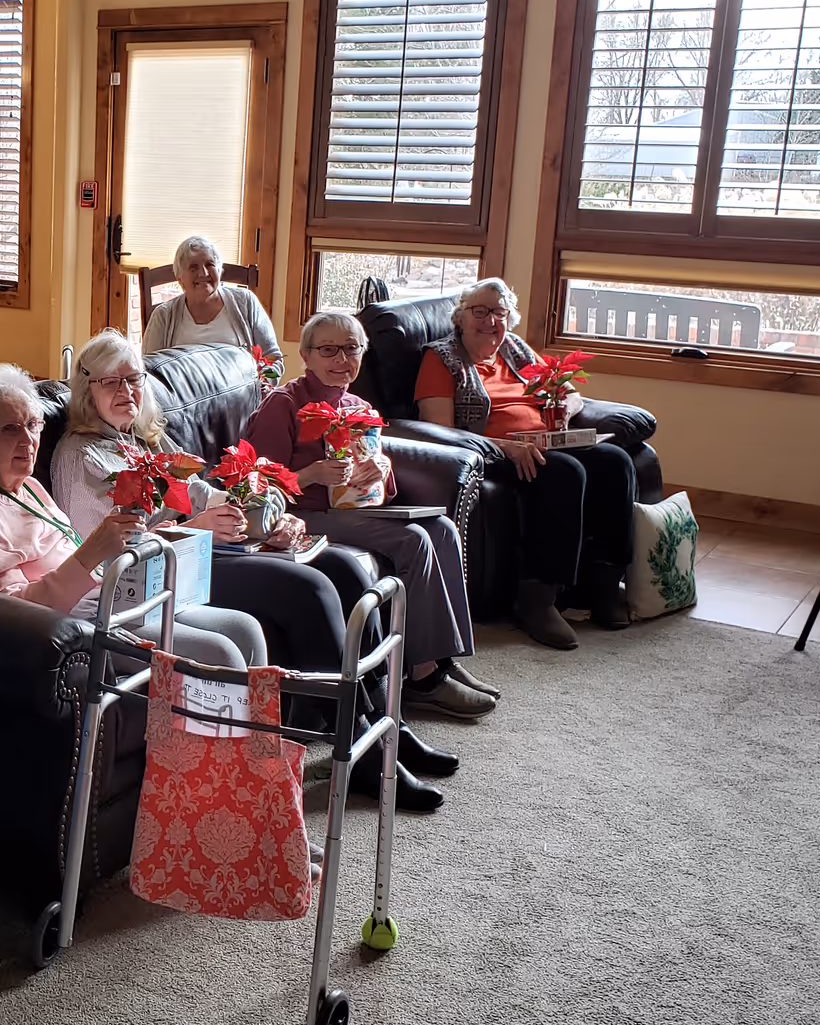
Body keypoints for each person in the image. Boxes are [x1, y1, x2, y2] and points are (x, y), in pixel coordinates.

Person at [48, 331, 458, 810]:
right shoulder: (78, 456)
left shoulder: (144, 439)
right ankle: (361, 748)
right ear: (87, 389)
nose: (126, 391)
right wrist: (192, 528)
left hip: (209, 550)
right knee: (309, 589)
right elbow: (104, 551)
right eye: (111, 382)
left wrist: (266, 515)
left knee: (347, 570)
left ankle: (390, 727)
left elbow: (206, 494)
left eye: (134, 379)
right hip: (168, 575)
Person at [246, 312, 501, 725]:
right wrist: (311, 474)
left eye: (352, 349)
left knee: (442, 530)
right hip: (303, 514)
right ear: (306, 356)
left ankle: (443, 659)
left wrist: (380, 471)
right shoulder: (285, 404)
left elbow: (383, 489)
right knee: (413, 540)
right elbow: (258, 483)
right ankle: (423, 678)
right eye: (329, 350)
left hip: (354, 509)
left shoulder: (359, 407)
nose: (341, 359)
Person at [0, 363, 266, 670]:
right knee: (221, 653)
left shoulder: (29, 486)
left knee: (246, 628)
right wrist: (91, 553)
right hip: (76, 627)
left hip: (112, 598)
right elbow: (9, 613)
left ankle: (250, 720)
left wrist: (151, 538)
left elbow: (78, 558)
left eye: (33, 424)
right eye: (10, 428)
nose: (28, 439)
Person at [413, 277, 635, 649]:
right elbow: (440, 431)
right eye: (479, 311)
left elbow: (570, 393)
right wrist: (506, 447)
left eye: (498, 312)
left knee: (615, 462)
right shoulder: (442, 358)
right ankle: (537, 598)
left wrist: (565, 408)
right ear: (461, 317)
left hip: (545, 442)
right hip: (489, 452)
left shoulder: (514, 348)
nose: (489, 321)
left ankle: (604, 583)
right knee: (565, 473)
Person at [140, 235, 282, 372]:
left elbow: (274, 360)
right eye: (193, 267)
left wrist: (261, 384)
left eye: (210, 264)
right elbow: (148, 371)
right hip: (182, 390)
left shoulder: (246, 302)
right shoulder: (163, 316)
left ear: (219, 270)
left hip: (242, 389)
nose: (203, 273)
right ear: (180, 278)